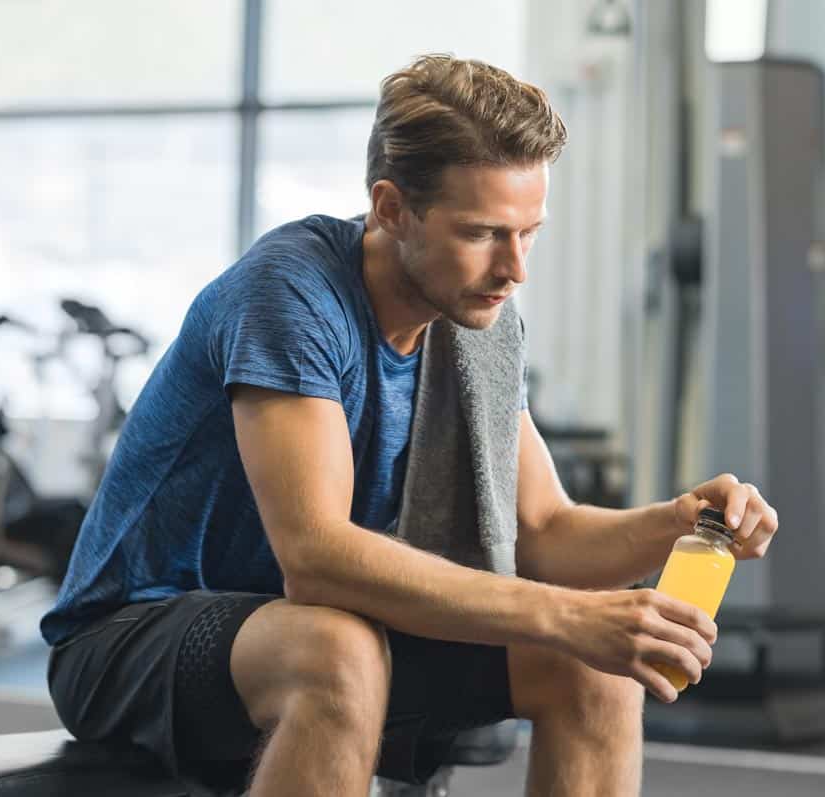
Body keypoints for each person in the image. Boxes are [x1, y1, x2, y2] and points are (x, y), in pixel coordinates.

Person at [41, 54, 780, 796]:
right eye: (483, 233)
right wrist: (565, 614)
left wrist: (678, 522)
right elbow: (317, 558)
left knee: (594, 669)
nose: (514, 268)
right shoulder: (290, 295)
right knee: (337, 649)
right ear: (392, 208)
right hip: (129, 637)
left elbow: (545, 532)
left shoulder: (481, 324)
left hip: (309, 625)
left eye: (528, 233)